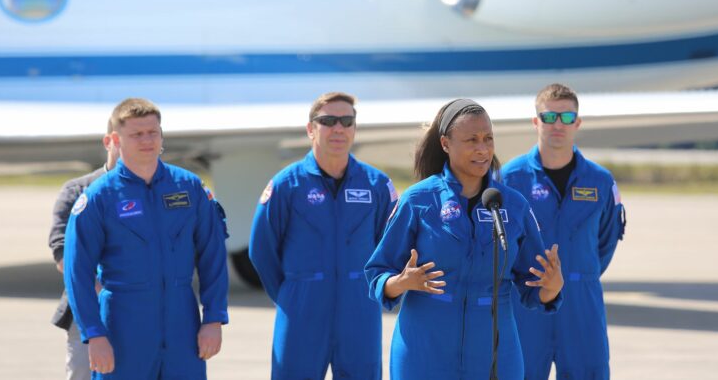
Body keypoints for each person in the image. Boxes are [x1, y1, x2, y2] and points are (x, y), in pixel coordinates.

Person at [364, 98, 564, 380]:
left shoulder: (513, 206)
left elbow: (533, 287)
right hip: (425, 348)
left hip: (495, 351)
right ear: (446, 143)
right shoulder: (418, 200)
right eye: (471, 140)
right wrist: (401, 282)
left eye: (488, 139)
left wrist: (552, 288)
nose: (482, 149)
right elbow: (377, 273)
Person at [64, 98, 229, 379]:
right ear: (116, 139)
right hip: (122, 328)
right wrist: (94, 335)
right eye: (136, 134)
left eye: (153, 132)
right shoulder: (99, 197)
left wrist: (213, 318)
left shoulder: (189, 187)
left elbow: (213, 256)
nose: (146, 140)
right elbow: (77, 271)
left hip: (182, 327)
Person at [249, 92, 398, 379]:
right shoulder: (286, 185)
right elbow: (261, 249)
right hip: (301, 310)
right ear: (310, 129)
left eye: (346, 121)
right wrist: (291, 292)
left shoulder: (377, 185)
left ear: (354, 128)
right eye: (328, 121)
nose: (338, 128)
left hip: (359, 311)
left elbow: (389, 246)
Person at [500, 83, 626, 380]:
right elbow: (499, 242)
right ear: (535, 122)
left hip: (581, 303)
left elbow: (606, 242)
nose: (558, 124)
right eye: (549, 117)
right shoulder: (509, 178)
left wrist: (579, 272)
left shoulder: (600, 181)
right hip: (525, 304)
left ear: (577, 123)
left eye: (567, 118)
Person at [49, 119, 118, 380]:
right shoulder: (78, 190)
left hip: (143, 307)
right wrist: (105, 292)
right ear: (109, 141)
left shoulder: (159, 189)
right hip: (87, 308)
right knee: (83, 373)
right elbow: (63, 255)